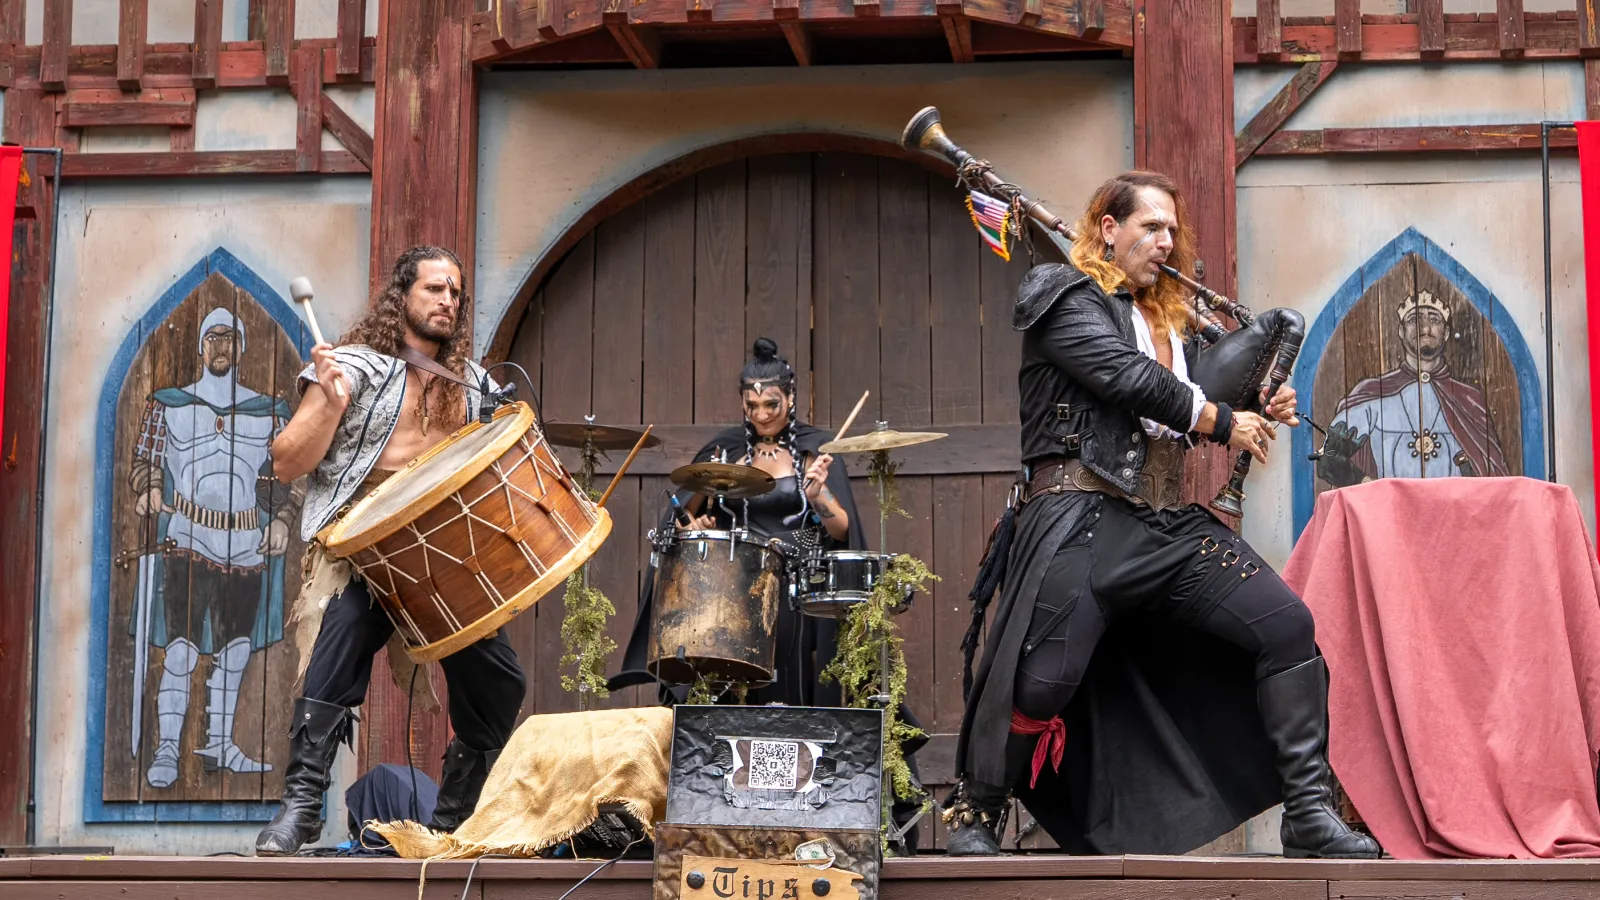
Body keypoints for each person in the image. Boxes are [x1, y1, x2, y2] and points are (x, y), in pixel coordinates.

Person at [946, 172, 1381, 859]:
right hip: (1077, 518)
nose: (1166, 240)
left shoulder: (1172, 328)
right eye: (1150, 226)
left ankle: (1306, 813)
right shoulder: (1061, 297)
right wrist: (1219, 420)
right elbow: (1124, 378)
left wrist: (1260, 397)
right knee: (1042, 683)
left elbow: (1197, 387)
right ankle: (978, 808)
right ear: (1107, 229)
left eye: (1172, 229)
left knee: (1287, 627)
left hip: (1163, 526)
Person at [254, 246, 525, 856]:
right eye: (434, 289)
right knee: (341, 640)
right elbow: (286, 462)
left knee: (502, 684)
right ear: (402, 295)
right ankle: (299, 808)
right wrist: (330, 404)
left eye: (455, 293)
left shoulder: (473, 386)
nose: (447, 302)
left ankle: (452, 823)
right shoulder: (352, 368)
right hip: (368, 552)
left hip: (445, 557)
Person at [610, 338, 926, 852]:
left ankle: (814, 814)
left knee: (805, 695)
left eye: (771, 405)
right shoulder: (723, 452)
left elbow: (844, 530)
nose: (760, 414)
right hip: (735, 600)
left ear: (791, 398)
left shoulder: (816, 451)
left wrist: (819, 492)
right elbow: (683, 516)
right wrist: (697, 517)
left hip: (799, 596)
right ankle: (735, 815)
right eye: (751, 405)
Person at [131, 307, 300, 788]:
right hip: (187, 536)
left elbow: (285, 478)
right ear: (201, 346)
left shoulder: (267, 412)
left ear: (240, 347)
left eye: (229, 338)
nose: (220, 347)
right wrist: (148, 487)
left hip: (245, 542)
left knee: (236, 651)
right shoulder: (170, 404)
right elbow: (146, 460)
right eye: (212, 338)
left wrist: (284, 521)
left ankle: (219, 746)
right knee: (182, 651)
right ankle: (167, 750)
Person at [1320, 288, 1510, 485]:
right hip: (1391, 513)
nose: (1425, 328)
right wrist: (1370, 487)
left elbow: (1492, 477)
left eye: (1434, 320)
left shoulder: (1469, 400)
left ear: (1445, 333)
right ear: (1401, 331)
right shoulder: (1372, 397)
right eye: (1414, 319)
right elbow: (1329, 460)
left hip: (1454, 514)